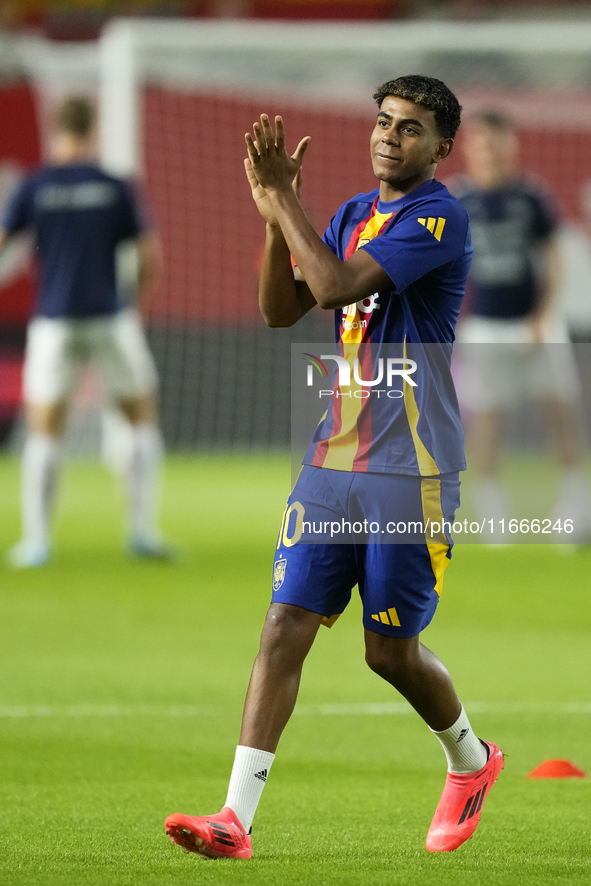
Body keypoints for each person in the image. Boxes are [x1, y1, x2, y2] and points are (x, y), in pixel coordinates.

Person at [165, 75, 502, 859]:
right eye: (382, 122)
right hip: (332, 456)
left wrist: (284, 200)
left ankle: (469, 759)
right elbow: (282, 309)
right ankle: (234, 819)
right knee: (284, 623)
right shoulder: (351, 212)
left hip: (408, 467)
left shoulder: (438, 218)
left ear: (440, 147)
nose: (389, 136)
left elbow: (338, 284)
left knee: (388, 652)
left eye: (410, 128)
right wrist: (271, 218)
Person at [0, 97, 171, 568]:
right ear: (93, 131)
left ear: (57, 130)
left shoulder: (36, 185)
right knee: (138, 416)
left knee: (45, 430)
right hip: (110, 317)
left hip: (53, 321)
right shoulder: (113, 185)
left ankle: (36, 541)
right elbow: (149, 253)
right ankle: (141, 531)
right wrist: (134, 299)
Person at [451, 111, 591, 541]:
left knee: (561, 414)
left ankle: (576, 508)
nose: (490, 150)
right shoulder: (457, 200)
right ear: (469, 148)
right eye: (481, 142)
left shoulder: (530, 196)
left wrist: (541, 316)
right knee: (488, 420)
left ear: (511, 146)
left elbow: (554, 259)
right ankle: (494, 515)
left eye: (498, 142)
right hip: (485, 328)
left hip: (536, 324)